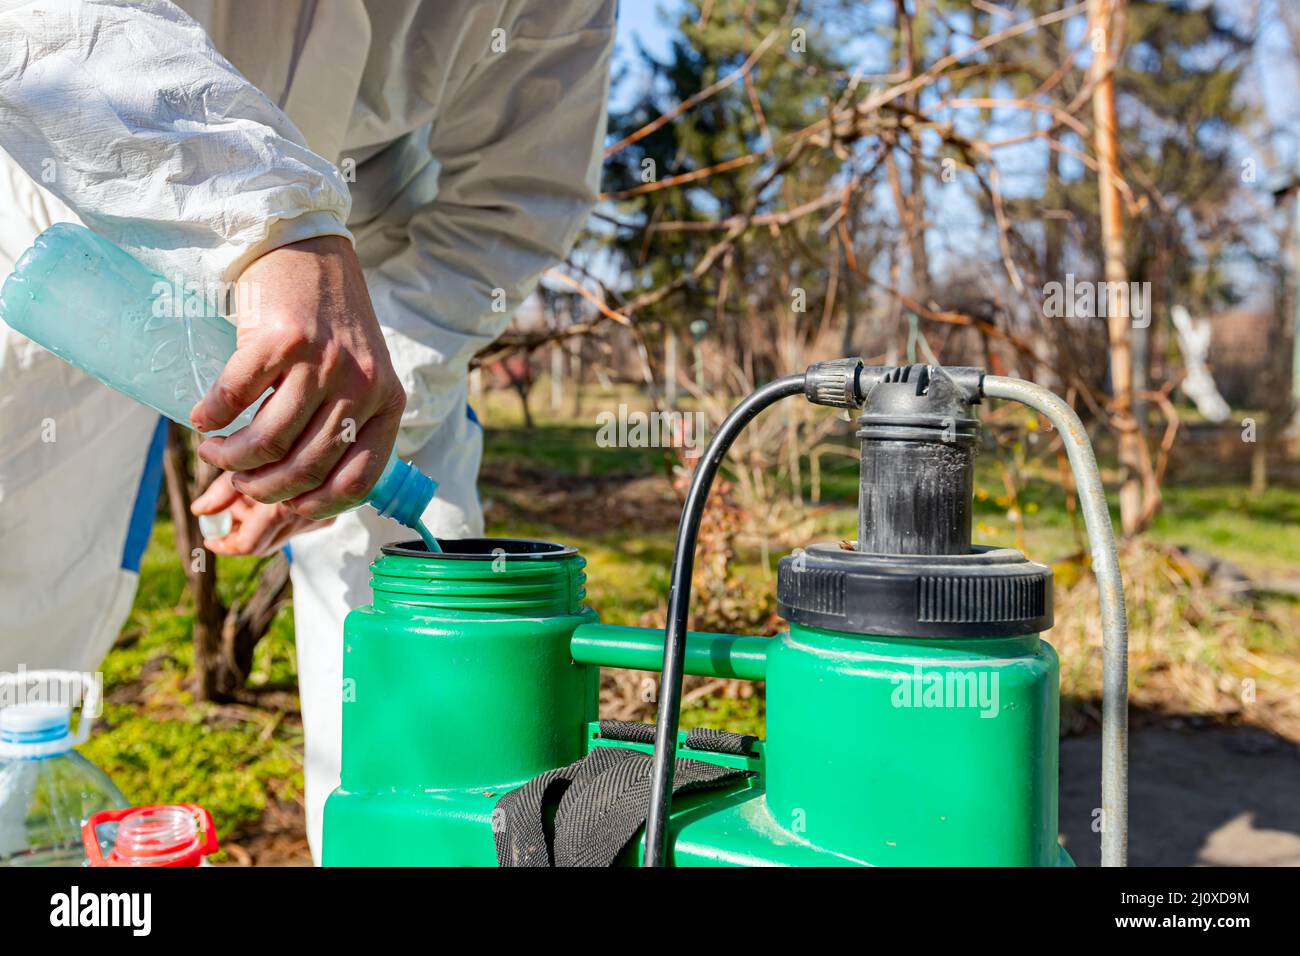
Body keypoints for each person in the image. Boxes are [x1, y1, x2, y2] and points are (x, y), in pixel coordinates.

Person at [0, 0, 615, 861]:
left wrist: (344, 413)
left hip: (384, 273)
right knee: (18, 607)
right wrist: (269, 221)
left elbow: (514, 199)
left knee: (426, 633)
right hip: (85, 179)